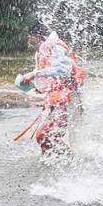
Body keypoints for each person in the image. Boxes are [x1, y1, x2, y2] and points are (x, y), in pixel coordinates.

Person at [20, 23, 85, 155]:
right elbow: (50, 75)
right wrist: (37, 86)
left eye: (29, 36)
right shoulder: (43, 50)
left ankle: (69, 159)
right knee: (46, 139)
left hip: (68, 100)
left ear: (37, 36)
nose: (28, 40)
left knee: (43, 136)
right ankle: (58, 163)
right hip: (59, 100)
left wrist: (34, 74)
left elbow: (63, 71)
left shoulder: (56, 47)